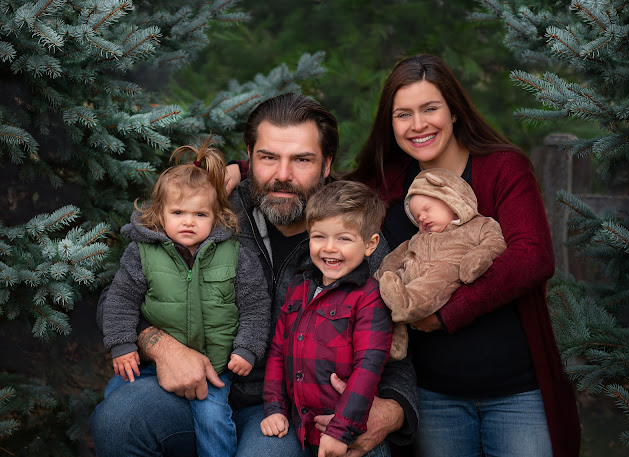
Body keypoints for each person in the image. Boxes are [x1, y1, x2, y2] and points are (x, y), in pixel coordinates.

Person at [90, 93, 419, 457]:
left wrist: (393, 410)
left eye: (302, 160)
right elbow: (115, 298)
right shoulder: (208, 209)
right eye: (268, 157)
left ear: (327, 164)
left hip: (287, 409)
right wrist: (164, 349)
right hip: (197, 386)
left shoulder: (353, 234)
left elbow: (394, 344)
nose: (282, 175)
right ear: (249, 158)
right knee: (119, 417)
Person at [345, 54, 581, 456]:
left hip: (516, 391)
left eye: (430, 108)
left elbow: (532, 257)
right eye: (403, 114)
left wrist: (445, 314)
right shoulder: (383, 184)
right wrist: (238, 168)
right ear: (391, 124)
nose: (418, 124)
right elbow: (311, 180)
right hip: (435, 396)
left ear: (454, 111)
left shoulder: (503, 168)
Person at [100, 141, 270, 457]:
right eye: (178, 212)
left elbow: (256, 305)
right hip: (152, 362)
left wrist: (247, 348)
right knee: (115, 404)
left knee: (212, 419)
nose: (188, 221)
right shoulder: (142, 253)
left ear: (217, 215)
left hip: (215, 366)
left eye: (200, 213)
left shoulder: (235, 256)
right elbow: (121, 299)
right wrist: (122, 344)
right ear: (159, 213)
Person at [261, 180, 393, 457]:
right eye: (319, 236)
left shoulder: (369, 297)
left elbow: (368, 368)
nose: (329, 248)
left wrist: (341, 430)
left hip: (350, 437)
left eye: (344, 238)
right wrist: (274, 407)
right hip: (301, 431)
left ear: (370, 245)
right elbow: (277, 352)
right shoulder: (298, 287)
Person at [374, 167, 506, 360]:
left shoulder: (479, 225)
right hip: (408, 277)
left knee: (436, 277)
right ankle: (394, 345)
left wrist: (477, 257)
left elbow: (495, 242)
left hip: (446, 271)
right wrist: (380, 276)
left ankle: (406, 303)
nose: (422, 218)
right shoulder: (416, 238)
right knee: (387, 297)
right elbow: (395, 258)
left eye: (427, 210)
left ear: (452, 203)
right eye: (417, 216)